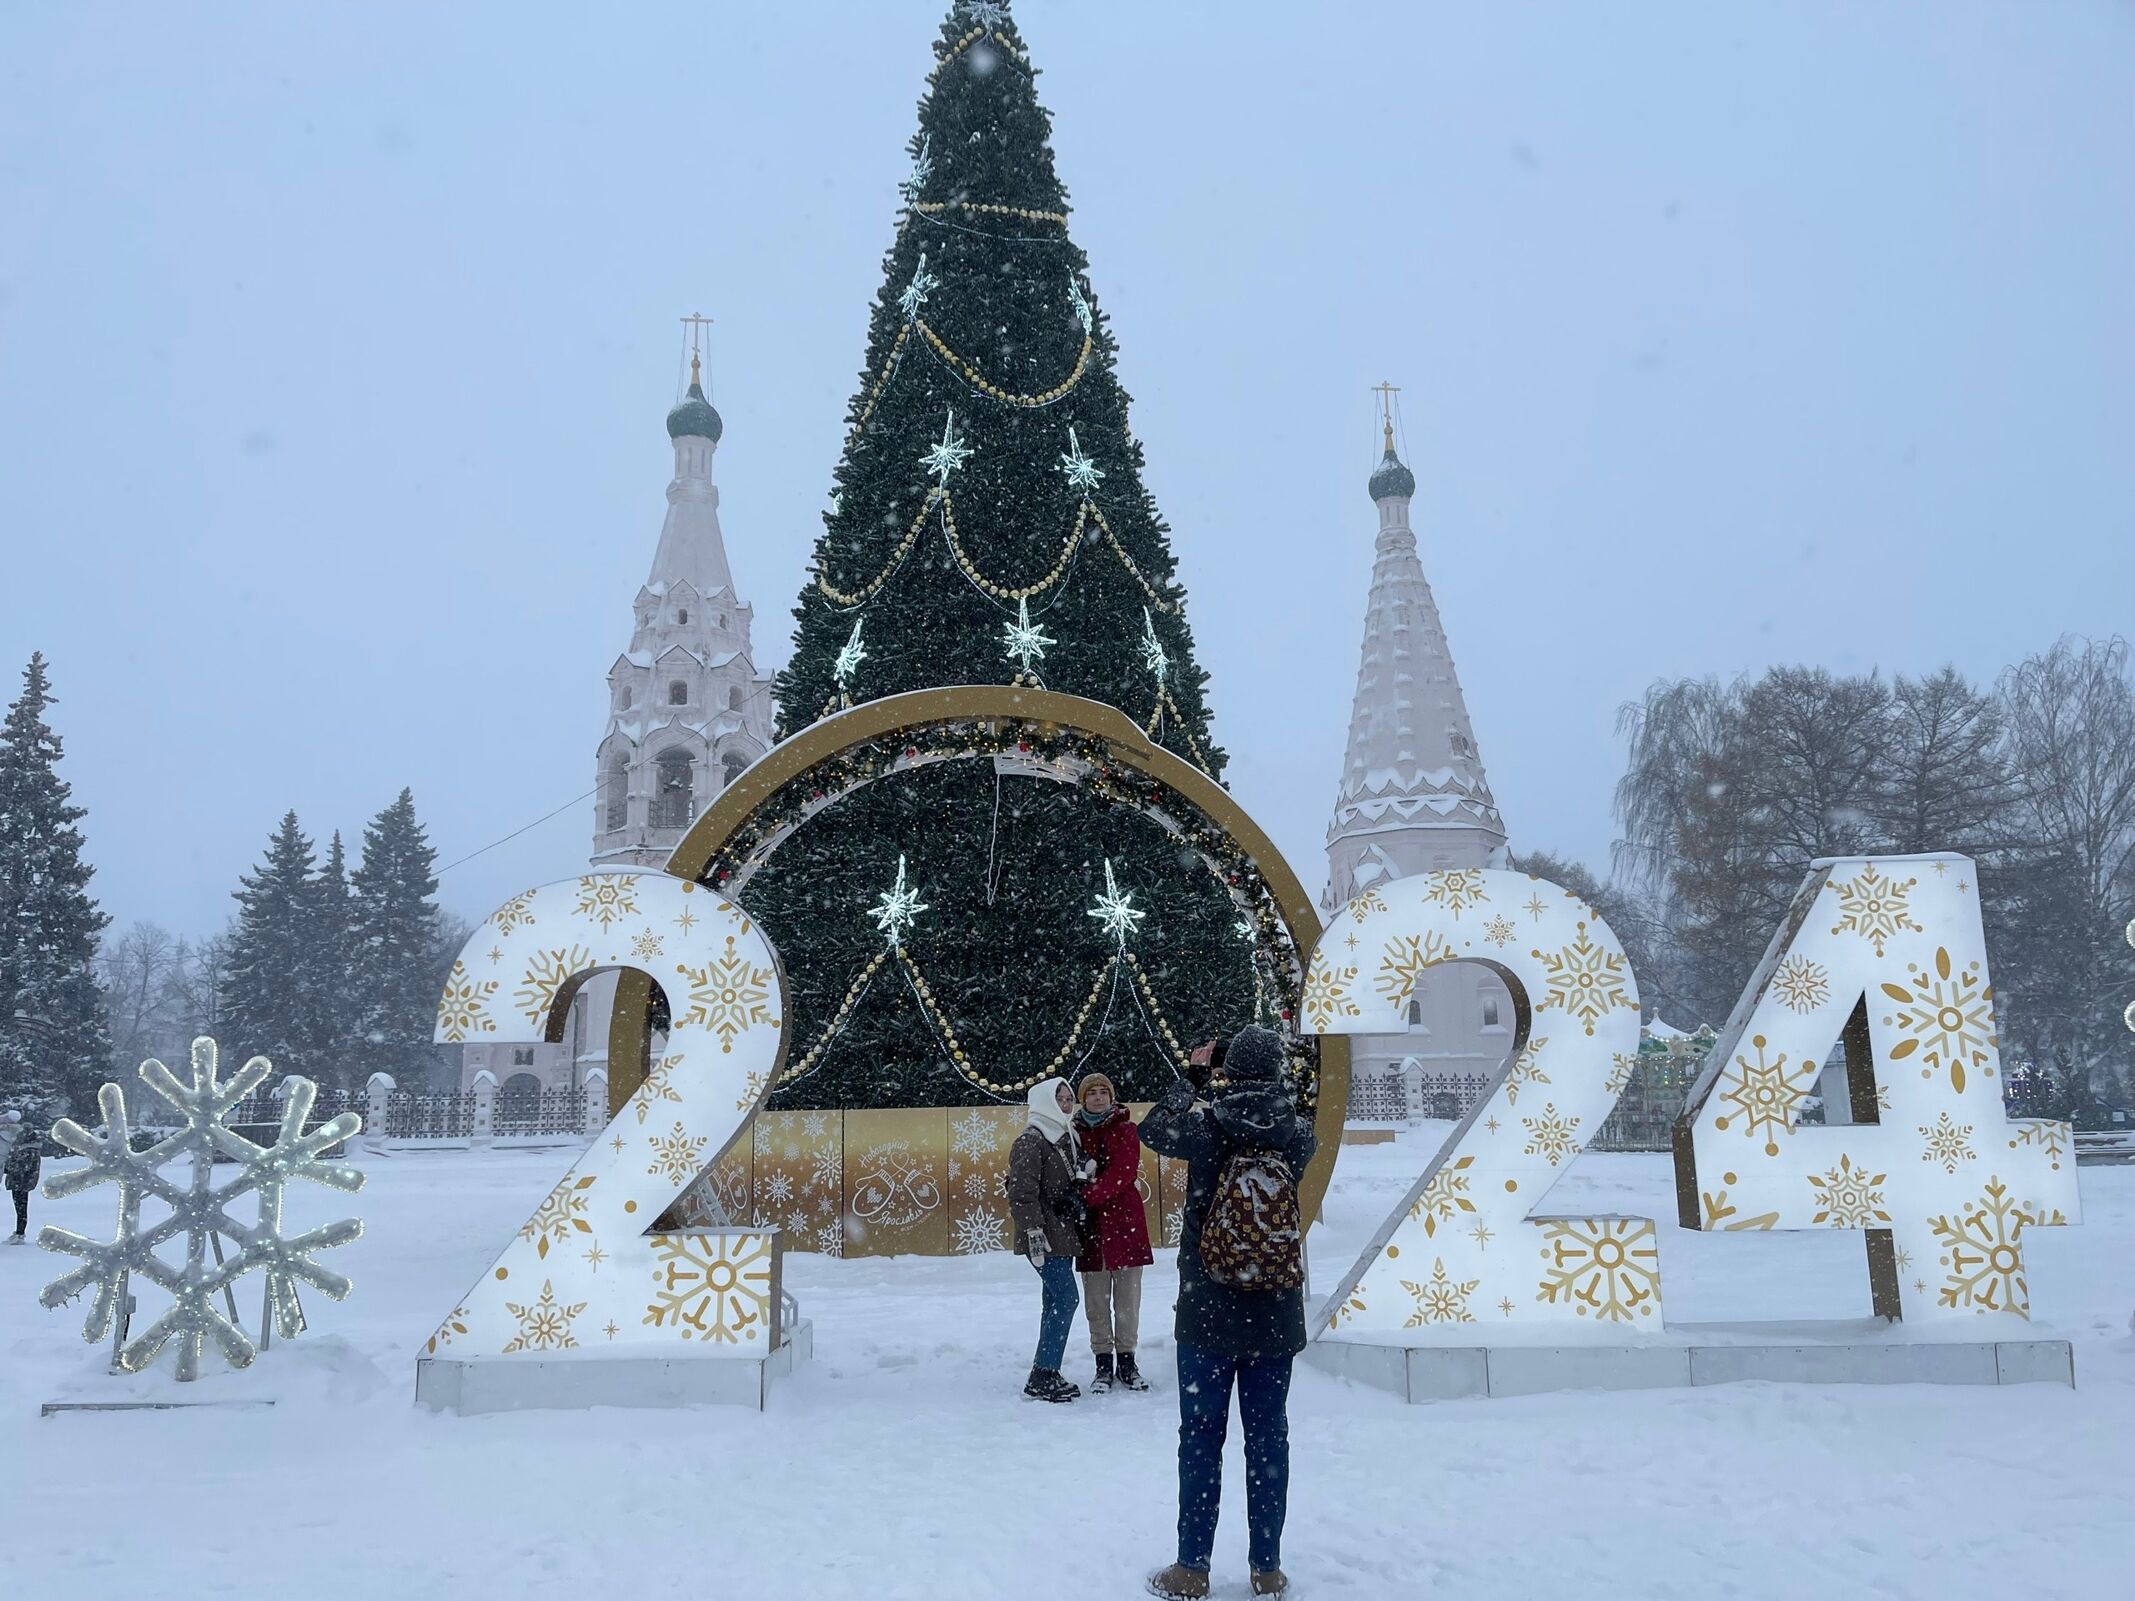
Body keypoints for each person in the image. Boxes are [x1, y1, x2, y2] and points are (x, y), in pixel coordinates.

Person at [1141, 1025, 1317, 1600]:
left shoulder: (1206, 1124)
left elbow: (1153, 1129)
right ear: (1276, 1072)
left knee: (1200, 1438)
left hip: (1208, 1310)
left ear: (1229, 1068)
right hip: (1275, 1308)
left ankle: (1192, 1568)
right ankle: (1266, 1569)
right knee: (1269, 1441)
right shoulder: (1299, 1135)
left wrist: (1194, 1075)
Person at [1005, 1075, 1086, 1403]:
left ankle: (1046, 1370)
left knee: (1054, 1301)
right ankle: (1042, 1374)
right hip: (1045, 1236)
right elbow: (1021, 1193)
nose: (1066, 1104)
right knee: (1067, 1299)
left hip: (1062, 1233)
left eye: (1068, 1099)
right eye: (1060, 1099)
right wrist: (1034, 1231)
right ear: (1044, 1102)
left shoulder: (1065, 1135)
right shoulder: (1032, 1139)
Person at [1073, 1072, 1155, 1393]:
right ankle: (1102, 1364)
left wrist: (1085, 1196)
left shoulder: (1125, 1129)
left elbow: (1123, 1172)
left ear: (1111, 1096)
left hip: (1124, 1226)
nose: (1097, 1097)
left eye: (1102, 1092)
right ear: (1083, 1099)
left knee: (1128, 1300)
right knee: (1095, 1300)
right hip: (1090, 1231)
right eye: (1090, 1092)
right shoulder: (1073, 1133)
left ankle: (1127, 1362)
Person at [5, 1114, 42, 1241]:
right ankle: (18, 1232)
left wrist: (8, 1168)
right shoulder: (28, 1149)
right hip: (19, 1182)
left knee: (21, 1209)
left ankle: (20, 1233)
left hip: (21, 1183)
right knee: (19, 1208)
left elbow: (22, 1167)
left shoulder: (29, 1150)